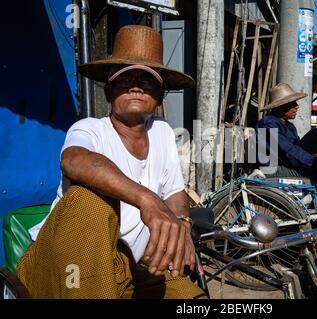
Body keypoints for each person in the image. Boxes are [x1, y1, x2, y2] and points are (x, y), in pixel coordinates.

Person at [16, 25, 207, 299]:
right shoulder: (89, 129)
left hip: (129, 268)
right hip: (66, 267)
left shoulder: (163, 132)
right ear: (108, 92)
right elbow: (74, 161)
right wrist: (147, 200)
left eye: (148, 81)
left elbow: (175, 194)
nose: (136, 87)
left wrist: (182, 224)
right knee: (90, 199)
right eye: (124, 79)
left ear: (160, 96)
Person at [256, 83, 317, 189]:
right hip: (274, 168)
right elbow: (288, 151)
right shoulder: (268, 124)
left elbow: (296, 149)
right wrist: (315, 163)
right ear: (280, 107)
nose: (296, 106)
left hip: (287, 162)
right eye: (292, 104)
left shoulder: (289, 125)